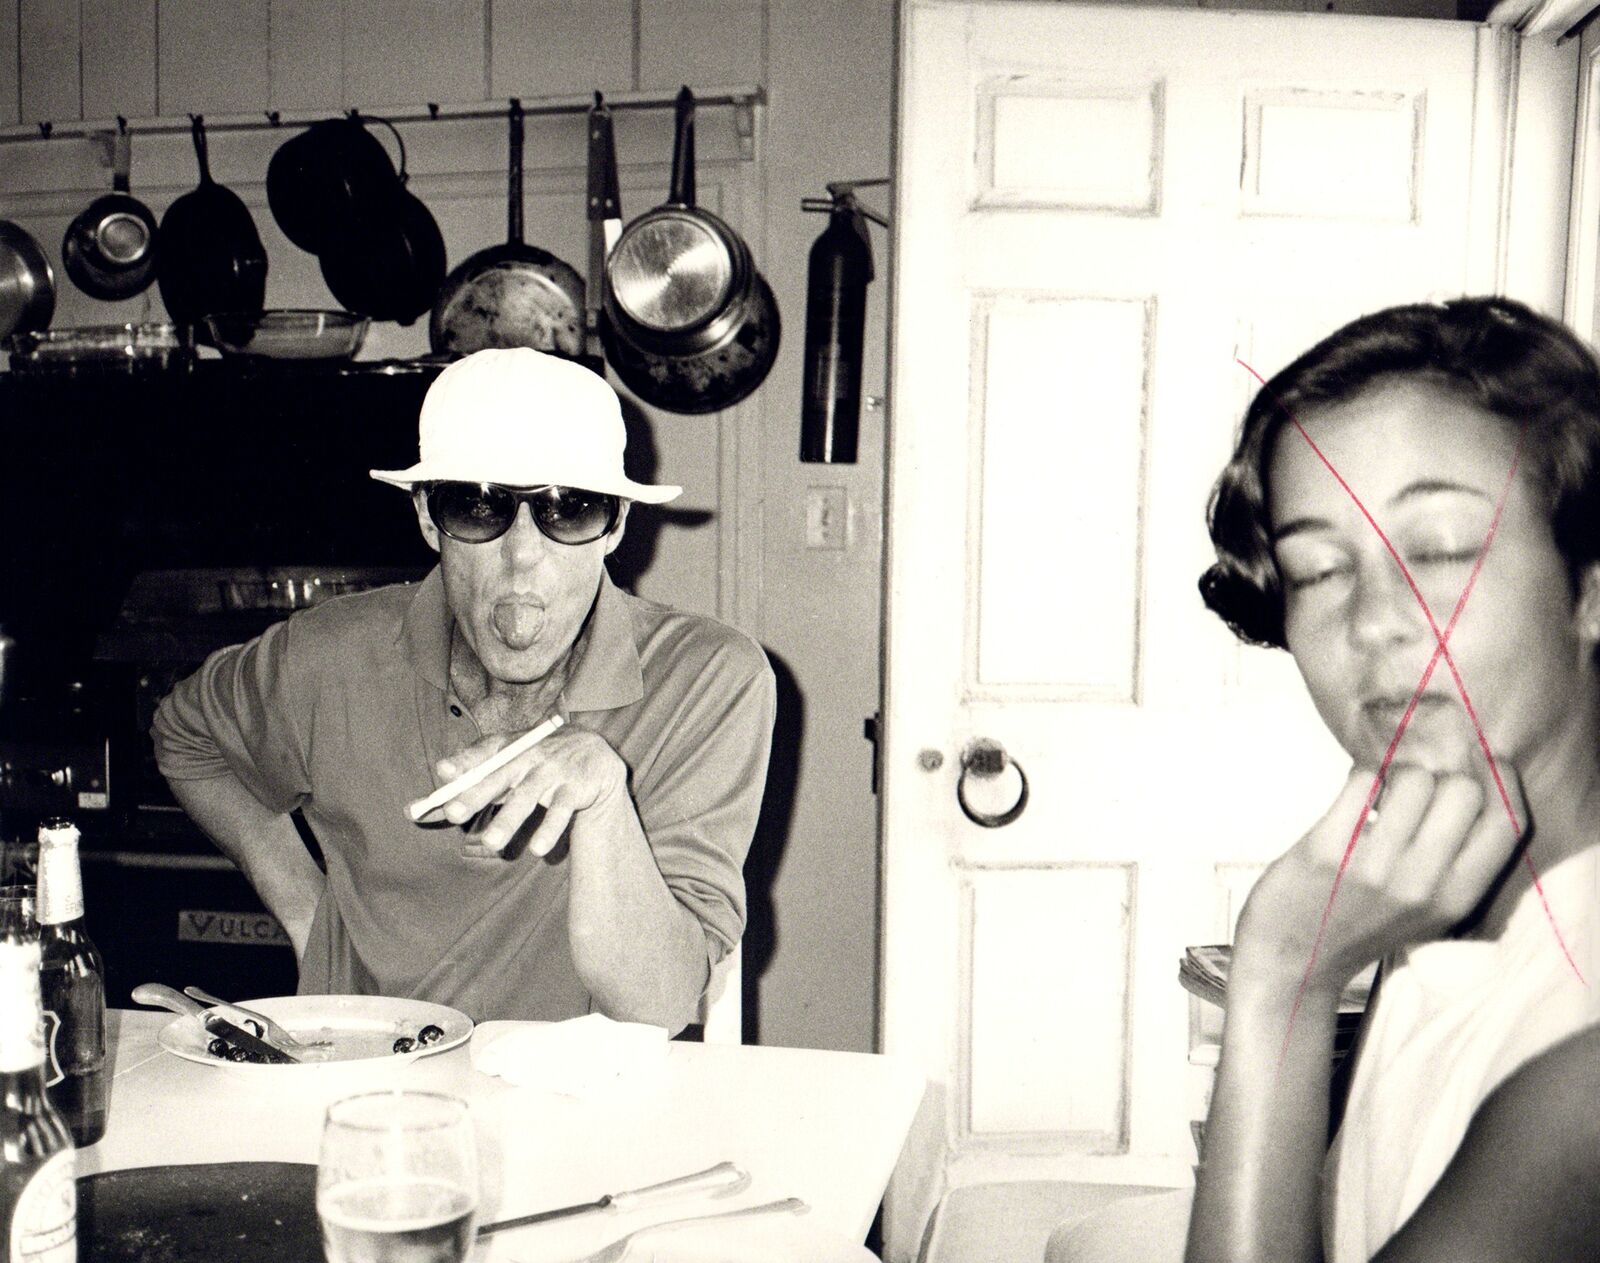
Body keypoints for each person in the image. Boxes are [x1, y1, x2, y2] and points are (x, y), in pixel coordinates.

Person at [151, 348, 776, 1032]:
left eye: (569, 509)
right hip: (366, 1089)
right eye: (479, 506)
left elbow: (657, 1004)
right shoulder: (328, 657)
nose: (523, 553)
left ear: (617, 523)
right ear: (427, 516)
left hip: (585, 1107)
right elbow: (186, 734)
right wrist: (309, 914)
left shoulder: (709, 678)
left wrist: (602, 796)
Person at [1179, 296, 1600, 1262]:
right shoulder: (1445, 895)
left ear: (1589, 585)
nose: (1373, 619)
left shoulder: (1584, 1075)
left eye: (1443, 548)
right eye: (1320, 570)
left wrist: (1284, 975)